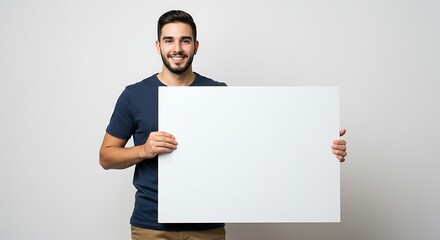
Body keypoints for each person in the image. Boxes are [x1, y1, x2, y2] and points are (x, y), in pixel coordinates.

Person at [99, 10, 347, 240]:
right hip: (150, 227)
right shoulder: (134, 95)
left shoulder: (218, 93)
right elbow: (106, 157)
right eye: (169, 40)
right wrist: (144, 150)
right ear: (158, 46)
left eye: (185, 40)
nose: (177, 48)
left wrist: (318, 142)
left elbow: (257, 146)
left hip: (207, 226)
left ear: (195, 46)